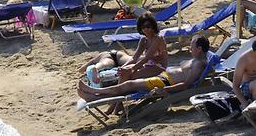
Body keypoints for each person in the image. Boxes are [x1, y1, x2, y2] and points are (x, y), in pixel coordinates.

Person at [78, 36, 215, 102]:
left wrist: (164, 90)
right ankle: (94, 95)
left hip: (164, 83)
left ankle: (94, 94)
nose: (189, 48)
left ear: (199, 49)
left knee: (129, 85)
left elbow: (186, 85)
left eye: (192, 46)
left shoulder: (199, 64)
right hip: (163, 78)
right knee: (128, 85)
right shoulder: (196, 60)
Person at [82, 14, 169, 85]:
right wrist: (122, 67)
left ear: (153, 26)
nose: (146, 29)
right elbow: (134, 58)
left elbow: (147, 57)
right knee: (123, 72)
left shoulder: (158, 38)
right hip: (147, 64)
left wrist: (131, 69)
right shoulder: (144, 40)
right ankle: (117, 100)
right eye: (143, 27)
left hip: (158, 66)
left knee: (130, 74)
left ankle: (117, 99)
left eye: (148, 26)